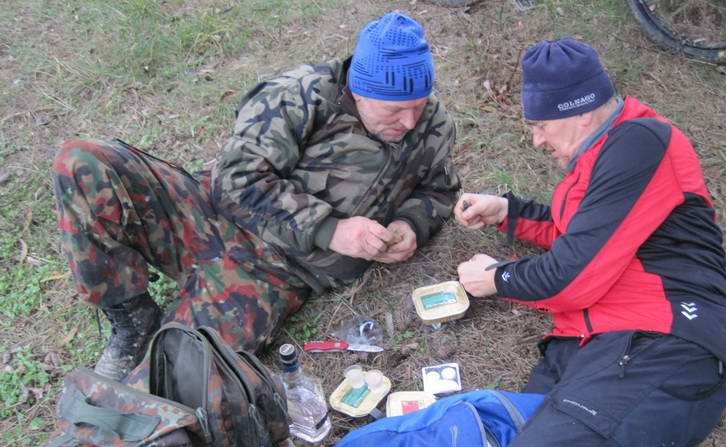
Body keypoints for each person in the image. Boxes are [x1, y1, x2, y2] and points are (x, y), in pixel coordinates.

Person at [450, 38, 726, 447]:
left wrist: (500, 278)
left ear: (579, 111)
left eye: (540, 125)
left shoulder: (640, 140)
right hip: (589, 348)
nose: (535, 138)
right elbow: (581, 234)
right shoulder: (603, 157)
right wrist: (510, 211)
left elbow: (572, 272)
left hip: (663, 344)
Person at [52, 11, 459, 381]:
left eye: (418, 107)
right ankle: (132, 318)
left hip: (275, 272)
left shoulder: (432, 125)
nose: (408, 122)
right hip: (206, 214)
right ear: (359, 89)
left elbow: (439, 188)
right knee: (83, 161)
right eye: (393, 111)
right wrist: (329, 229)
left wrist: (410, 223)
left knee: (172, 379)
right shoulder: (302, 95)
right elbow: (235, 181)